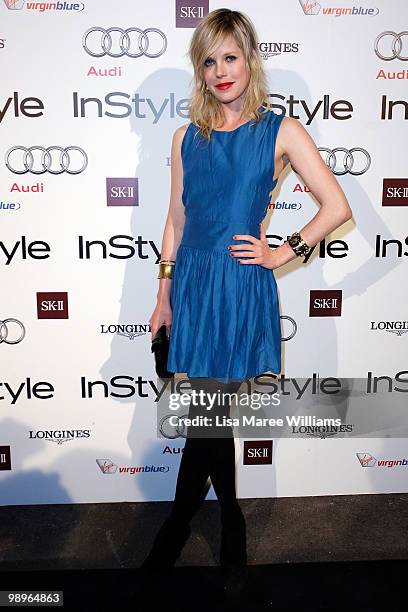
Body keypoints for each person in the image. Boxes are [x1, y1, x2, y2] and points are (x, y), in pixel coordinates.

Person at [143, 7, 352, 580]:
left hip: (238, 287)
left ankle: (179, 524)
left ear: (250, 59)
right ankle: (228, 516)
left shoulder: (280, 130)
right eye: (208, 61)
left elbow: (337, 208)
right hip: (191, 286)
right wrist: (163, 295)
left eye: (230, 57)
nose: (220, 71)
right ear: (200, 70)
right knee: (211, 420)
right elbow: (176, 222)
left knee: (206, 418)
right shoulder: (186, 136)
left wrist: (284, 251)